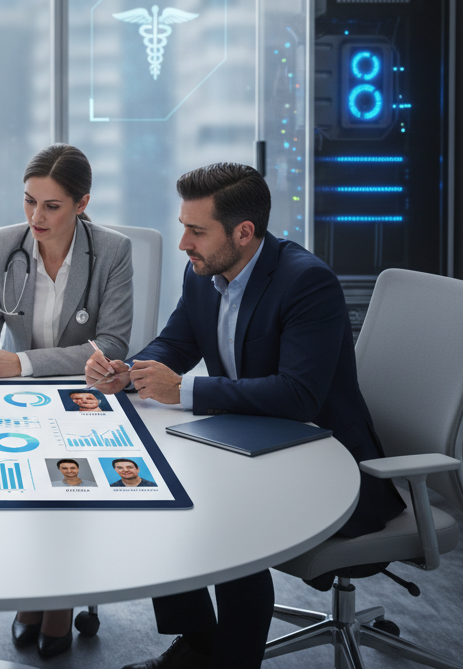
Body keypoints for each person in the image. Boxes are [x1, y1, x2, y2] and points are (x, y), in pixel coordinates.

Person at [86, 162, 405, 669]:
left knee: (222, 521)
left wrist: (183, 390)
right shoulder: (204, 275)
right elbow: (177, 341)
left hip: (325, 460)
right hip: (249, 444)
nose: (183, 243)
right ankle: (200, 643)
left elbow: (299, 395)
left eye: (196, 231)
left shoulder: (307, 283)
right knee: (157, 494)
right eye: (183, 227)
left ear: (243, 232)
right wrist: (131, 371)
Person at [0, 143, 132, 659]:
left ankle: (59, 601)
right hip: (19, 399)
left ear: (82, 203)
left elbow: (111, 346)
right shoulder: (6, 243)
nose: (35, 217)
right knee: (20, 491)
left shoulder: (112, 251)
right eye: (29, 202)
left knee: (69, 486)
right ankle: (32, 592)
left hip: (81, 394)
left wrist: (20, 364)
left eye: (51, 206)